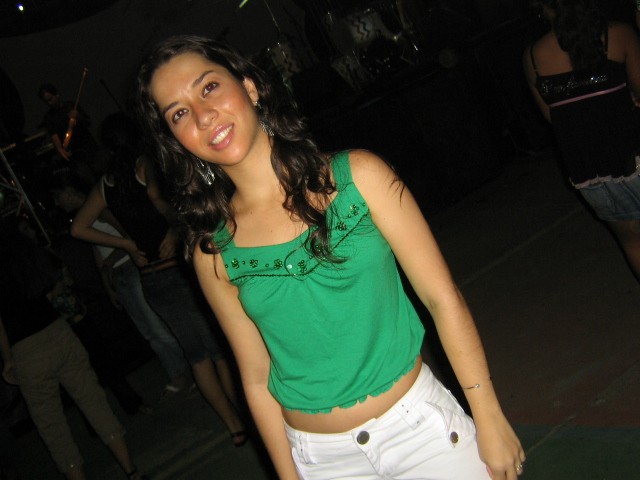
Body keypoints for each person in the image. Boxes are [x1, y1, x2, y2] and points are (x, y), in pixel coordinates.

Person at [134, 35, 525, 479]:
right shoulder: (214, 253)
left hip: (423, 434)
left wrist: (488, 413)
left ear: (249, 87)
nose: (203, 116)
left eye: (209, 88)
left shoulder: (361, 176)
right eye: (179, 113)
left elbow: (442, 297)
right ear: (176, 140)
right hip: (320, 461)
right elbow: (257, 378)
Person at [70, 113, 247, 446]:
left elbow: (78, 227)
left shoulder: (106, 184)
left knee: (197, 356)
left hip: (150, 277)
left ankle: (233, 427)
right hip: (178, 270)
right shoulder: (146, 164)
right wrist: (174, 229)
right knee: (217, 349)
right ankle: (244, 419)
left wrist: (126, 244)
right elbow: (156, 195)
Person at [0, 219, 148, 480]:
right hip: (57, 331)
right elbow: (49, 283)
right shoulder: (23, 249)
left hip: (25, 348)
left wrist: (8, 359)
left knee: (51, 424)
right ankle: (131, 470)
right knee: (93, 399)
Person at [523, 0, 640, 279]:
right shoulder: (617, 34)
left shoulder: (532, 58)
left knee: (633, 241)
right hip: (633, 155)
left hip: (591, 175)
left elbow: (553, 118)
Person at [49, 171, 192, 398]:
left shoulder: (101, 209)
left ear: (69, 191)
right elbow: (99, 251)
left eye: (58, 196)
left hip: (129, 267)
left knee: (157, 327)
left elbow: (130, 238)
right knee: (148, 331)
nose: (57, 203)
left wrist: (115, 260)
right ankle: (179, 371)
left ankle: (188, 370)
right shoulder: (86, 215)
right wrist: (108, 283)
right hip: (119, 274)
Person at [38, 83, 100, 189]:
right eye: (46, 101)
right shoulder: (49, 118)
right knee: (90, 183)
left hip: (89, 147)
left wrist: (78, 116)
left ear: (57, 94)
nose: (49, 103)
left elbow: (88, 122)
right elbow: (55, 137)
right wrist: (61, 150)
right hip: (75, 155)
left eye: (50, 99)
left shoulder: (71, 106)